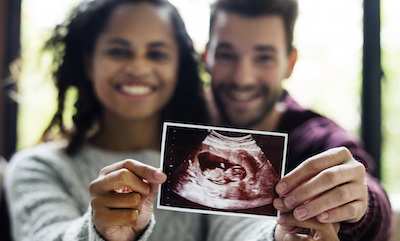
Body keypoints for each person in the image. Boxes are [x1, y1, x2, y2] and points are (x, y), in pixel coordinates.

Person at [4, 0, 214, 240]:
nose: (138, 67)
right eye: (118, 51)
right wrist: (99, 231)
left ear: (179, 68)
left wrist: (268, 233)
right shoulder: (39, 167)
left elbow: (240, 231)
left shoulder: (211, 162)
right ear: (88, 63)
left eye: (157, 54)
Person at [203, 0, 393, 240]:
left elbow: (374, 197)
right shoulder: (175, 118)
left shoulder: (316, 138)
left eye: (264, 58)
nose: (243, 77)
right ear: (206, 56)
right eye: (227, 55)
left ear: (289, 63)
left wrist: (361, 204)